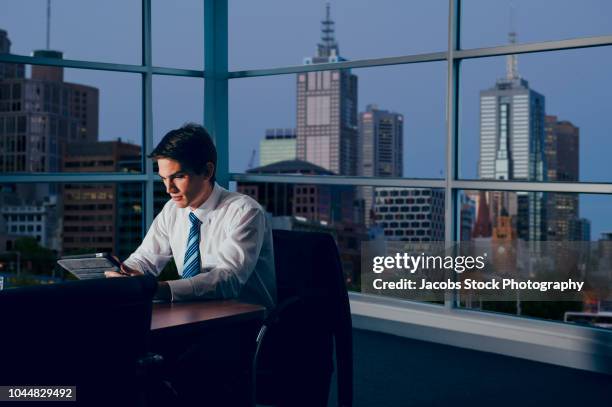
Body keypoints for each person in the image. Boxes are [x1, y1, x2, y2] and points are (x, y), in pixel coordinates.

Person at [105, 123, 276, 309]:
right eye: (163, 178)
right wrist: (123, 274)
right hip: (190, 314)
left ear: (207, 172)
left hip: (245, 324)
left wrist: (157, 289)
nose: (169, 189)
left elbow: (228, 281)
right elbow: (145, 258)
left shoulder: (245, 211)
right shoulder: (171, 210)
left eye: (178, 177)